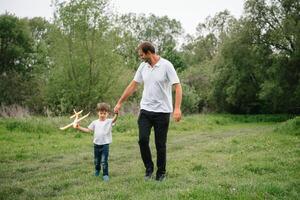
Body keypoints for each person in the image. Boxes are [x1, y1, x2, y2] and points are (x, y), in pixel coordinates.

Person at [114, 41, 182, 181]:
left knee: (160, 144)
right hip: (145, 110)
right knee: (142, 140)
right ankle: (149, 169)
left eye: (141, 55)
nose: (140, 57)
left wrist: (176, 108)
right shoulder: (143, 66)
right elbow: (133, 85)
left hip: (162, 112)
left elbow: (178, 86)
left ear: (148, 53)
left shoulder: (166, 65)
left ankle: (161, 173)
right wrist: (120, 102)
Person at [74, 102, 118, 182]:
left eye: (104, 113)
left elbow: (114, 119)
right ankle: (97, 170)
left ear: (107, 114)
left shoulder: (109, 121)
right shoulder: (95, 122)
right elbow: (88, 130)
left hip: (105, 145)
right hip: (96, 145)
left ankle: (105, 174)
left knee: (104, 161)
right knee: (97, 161)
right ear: (98, 113)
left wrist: (116, 113)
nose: (102, 115)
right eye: (101, 113)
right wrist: (79, 127)